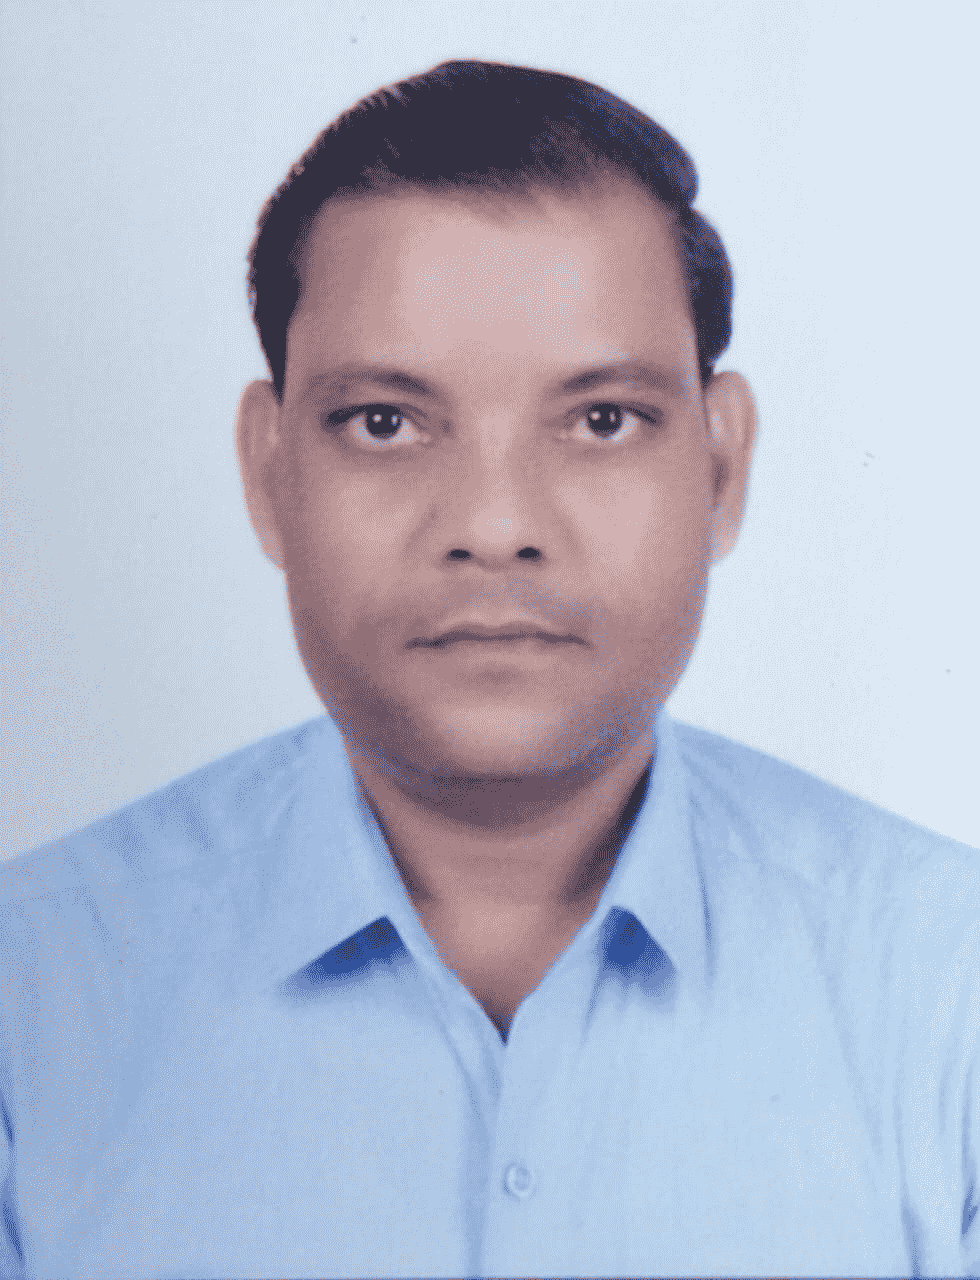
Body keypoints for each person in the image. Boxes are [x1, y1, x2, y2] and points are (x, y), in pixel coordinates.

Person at [1, 58, 977, 1280]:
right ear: (269, 473)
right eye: (385, 421)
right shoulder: (30, 1003)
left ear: (720, 467)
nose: (494, 524)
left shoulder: (946, 987)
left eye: (601, 418)